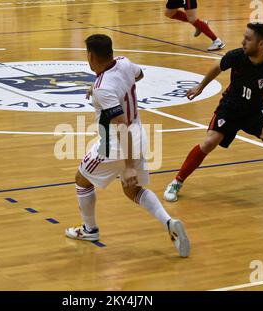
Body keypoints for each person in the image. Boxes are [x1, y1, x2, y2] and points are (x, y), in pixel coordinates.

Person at [163, 23, 263, 210]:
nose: (243, 41)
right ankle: (177, 181)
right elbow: (216, 67)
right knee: (210, 142)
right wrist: (200, 87)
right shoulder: (236, 56)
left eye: (248, 39)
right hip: (230, 108)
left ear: (261, 44)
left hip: (254, 110)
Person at [65, 34, 190, 257]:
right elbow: (138, 75)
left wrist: (130, 166)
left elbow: (120, 126)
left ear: (91, 56)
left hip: (114, 145)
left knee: (81, 179)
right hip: (138, 137)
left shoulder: (103, 86)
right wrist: (99, 90)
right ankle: (169, 223)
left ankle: (89, 229)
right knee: (132, 190)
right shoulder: (124, 63)